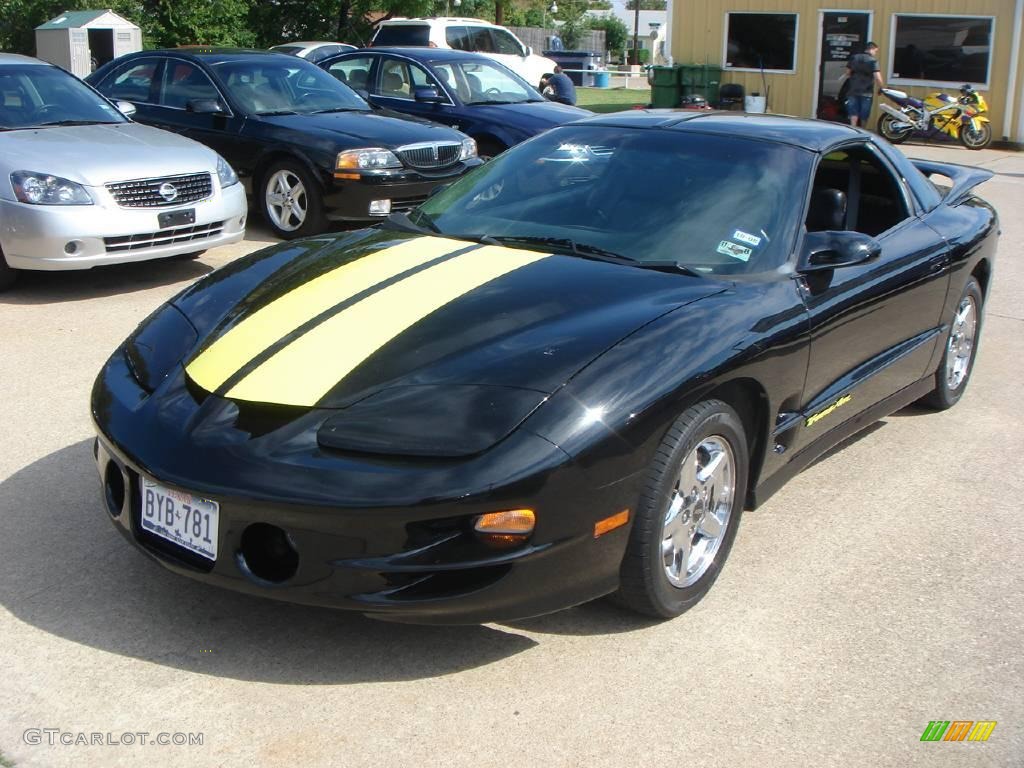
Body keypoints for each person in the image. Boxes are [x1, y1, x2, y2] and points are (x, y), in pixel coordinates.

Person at [845, 42, 883, 127]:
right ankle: (862, 131)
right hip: (867, 91)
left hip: (853, 90)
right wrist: (881, 87)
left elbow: (848, 72)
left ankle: (853, 130)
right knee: (864, 115)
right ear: (872, 49)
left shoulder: (854, 57)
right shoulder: (873, 61)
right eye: (875, 51)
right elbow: (878, 77)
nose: (875, 53)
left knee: (853, 113)